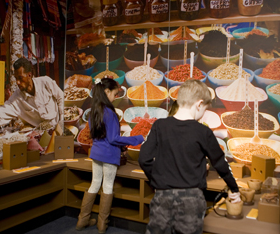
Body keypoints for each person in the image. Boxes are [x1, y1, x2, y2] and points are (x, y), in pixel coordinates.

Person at [139, 79, 241, 234]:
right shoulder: (203, 132)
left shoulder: (159, 125)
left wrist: (157, 180)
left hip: (162, 194)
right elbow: (220, 162)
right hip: (191, 198)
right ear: (199, 104)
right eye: (205, 109)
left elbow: (143, 159)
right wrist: (234, 188)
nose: (202, 114)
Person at [76, 78, 144, 233]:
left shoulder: (94, 110)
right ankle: (102, 225)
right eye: (114, 94)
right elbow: (114, 138)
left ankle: (82, 220)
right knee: (107, 186)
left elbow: (97, 135)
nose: (115, 97)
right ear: (107, 92)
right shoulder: (110, 112)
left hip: (96, 153)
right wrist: (137, 138)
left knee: (94, 183)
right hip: (109, 155)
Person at [0, 57, 64, 140]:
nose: (18, 82)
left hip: (59, 130)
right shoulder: (16, 99)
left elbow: (60, 98)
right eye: (16, 78)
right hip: (40, 137)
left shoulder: (45, 82)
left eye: (20, 78)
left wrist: (62, 121)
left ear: (29, 75)